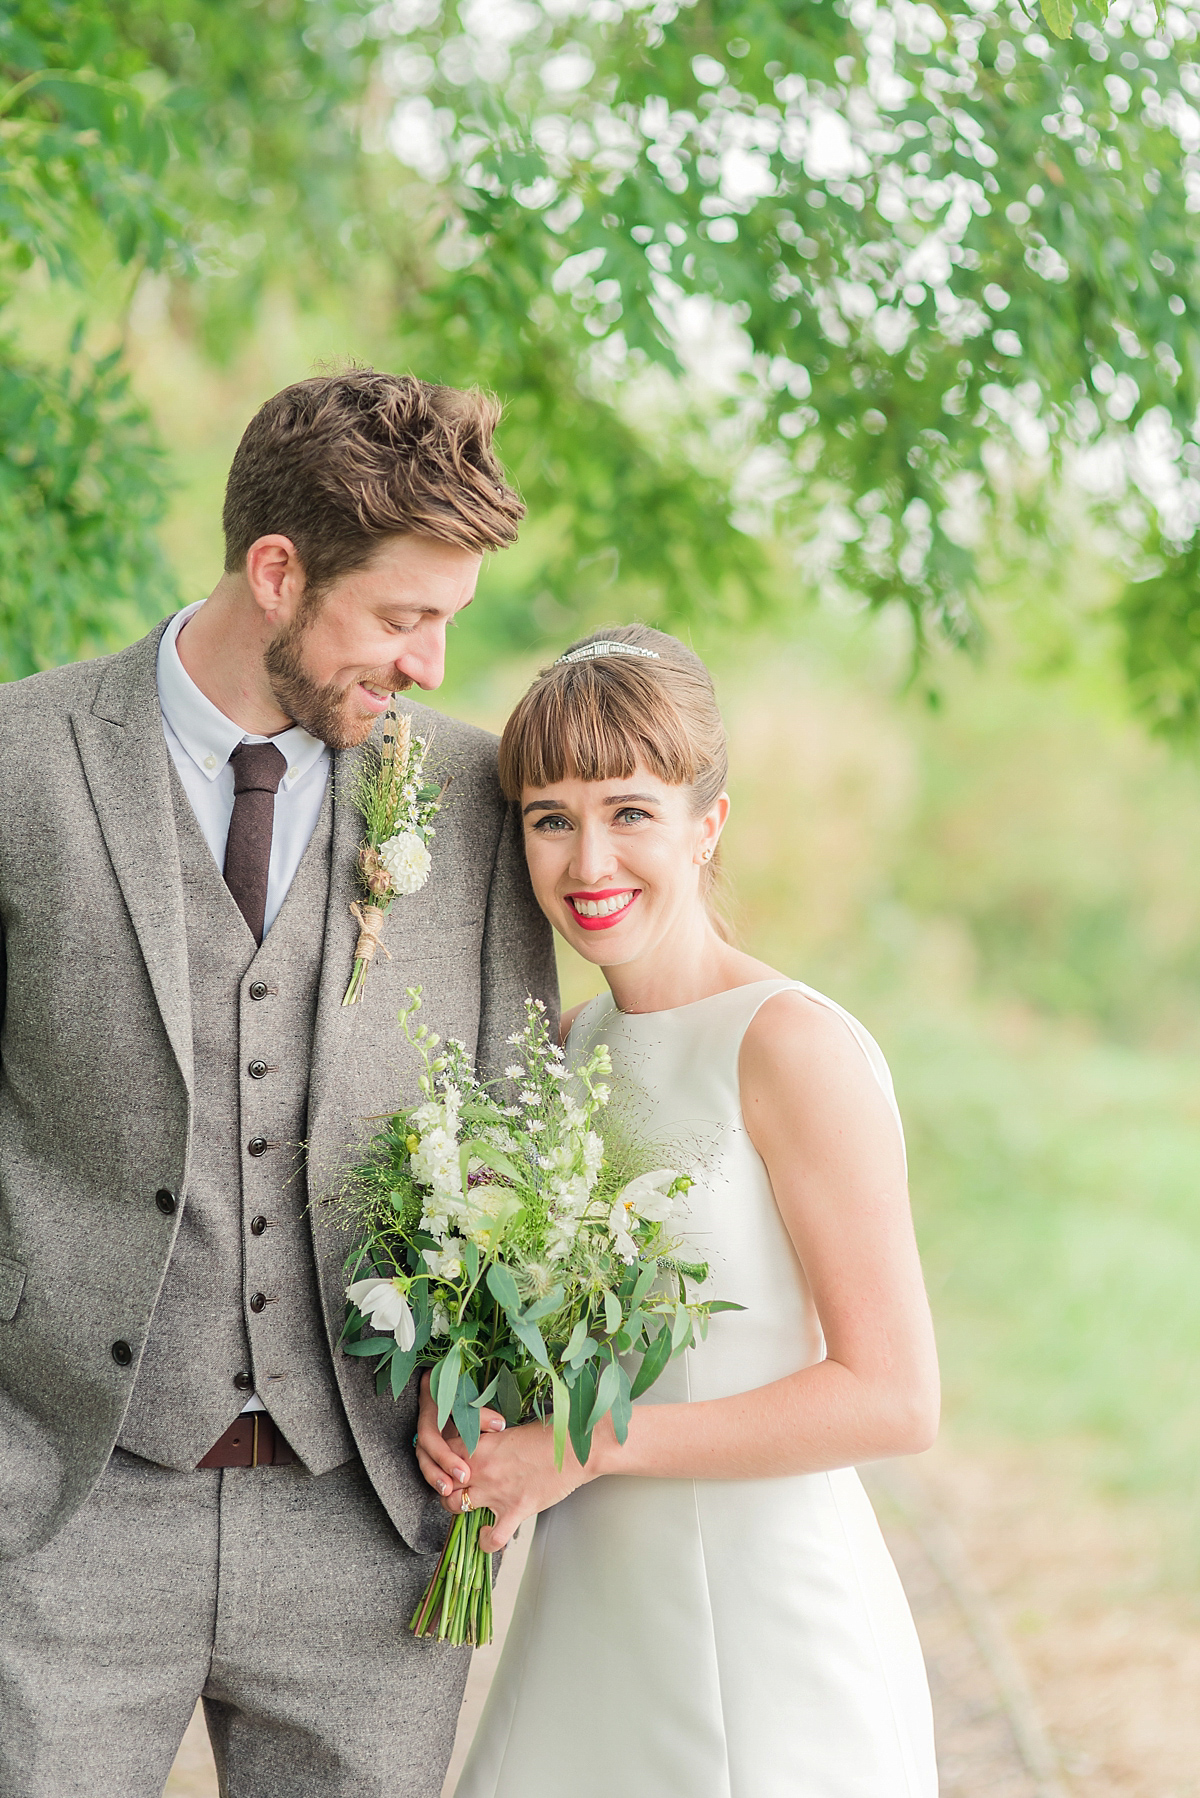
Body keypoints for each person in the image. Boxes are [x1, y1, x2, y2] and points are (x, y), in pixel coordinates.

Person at [0, 368, 556, 1798]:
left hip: (368, 1520)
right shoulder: (18, 762)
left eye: (449, 621)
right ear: (276, 571)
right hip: (58, 1506)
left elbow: (516, 1128)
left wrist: (493, 1410)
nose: (431, 663)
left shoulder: (479, 801)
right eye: (402, 616)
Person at [416, 624, 941, 1797]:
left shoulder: (791, 1046)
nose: (586, 859)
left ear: (708, 825)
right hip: (587, 1617)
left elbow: (895, 1395)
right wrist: (479, 1416)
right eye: (550, 817)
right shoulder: (565, 1051)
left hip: (758, 1631)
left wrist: (579, 1449)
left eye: (630, 811)